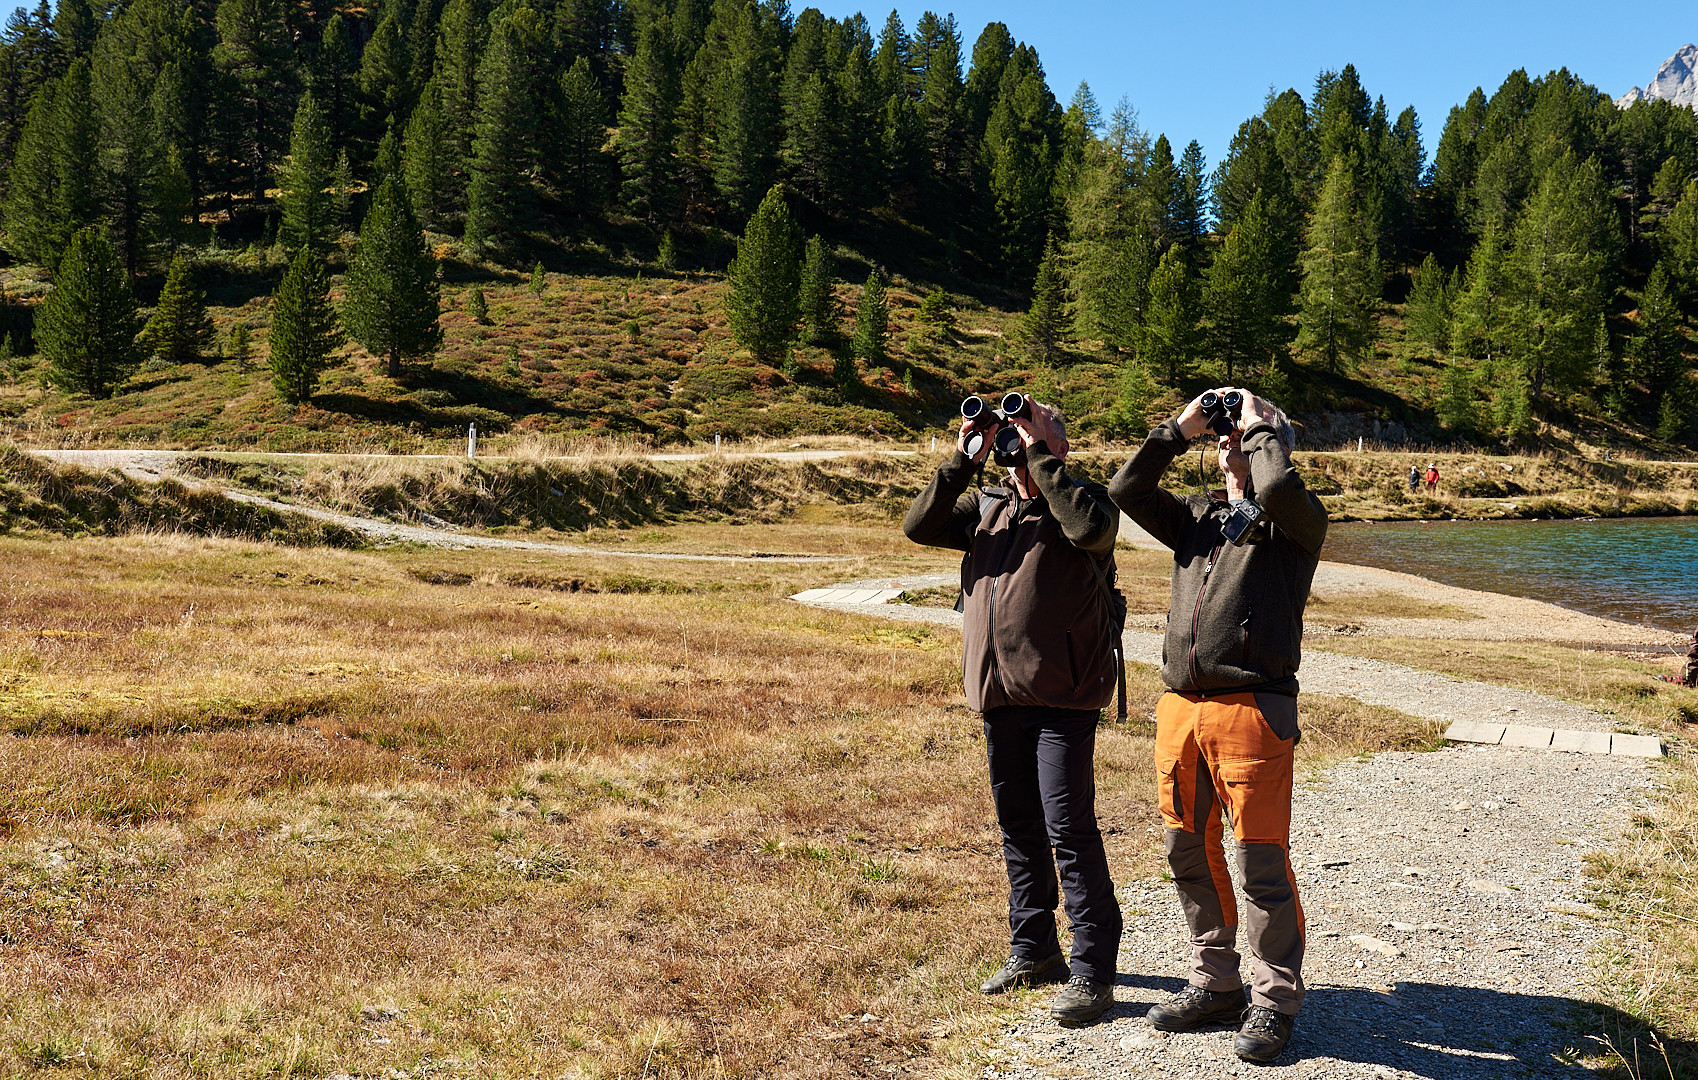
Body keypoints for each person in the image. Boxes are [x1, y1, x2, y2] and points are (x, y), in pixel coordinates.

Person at [1107, 387, 1327, 1063]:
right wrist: (1179, 430)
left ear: (1273, 449)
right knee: (1187, 852)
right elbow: (1126, 489)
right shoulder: (1199, 519)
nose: (1231, 444)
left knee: (1260, 861)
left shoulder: (1294, 522)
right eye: (1227, 438)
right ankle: (1216, 981)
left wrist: (1261, 429)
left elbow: (1279, 485)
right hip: (1181, 708)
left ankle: (1273, 1001)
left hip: (1253, 709)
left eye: (1247, 438)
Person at [903, 395, 1123, 1025]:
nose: (1017, 446)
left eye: (1031, 430)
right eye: (1014, 435)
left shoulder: (1085, 501)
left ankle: (1092, 971)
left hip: (1064, 697)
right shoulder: (989, 508)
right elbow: (919, 526)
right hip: (1001, 696)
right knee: (1019, 826)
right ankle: (1033, 950)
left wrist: (1040, 458)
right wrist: (962, 459)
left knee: (1068, 831)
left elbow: (1088, 533)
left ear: (1058, 444)